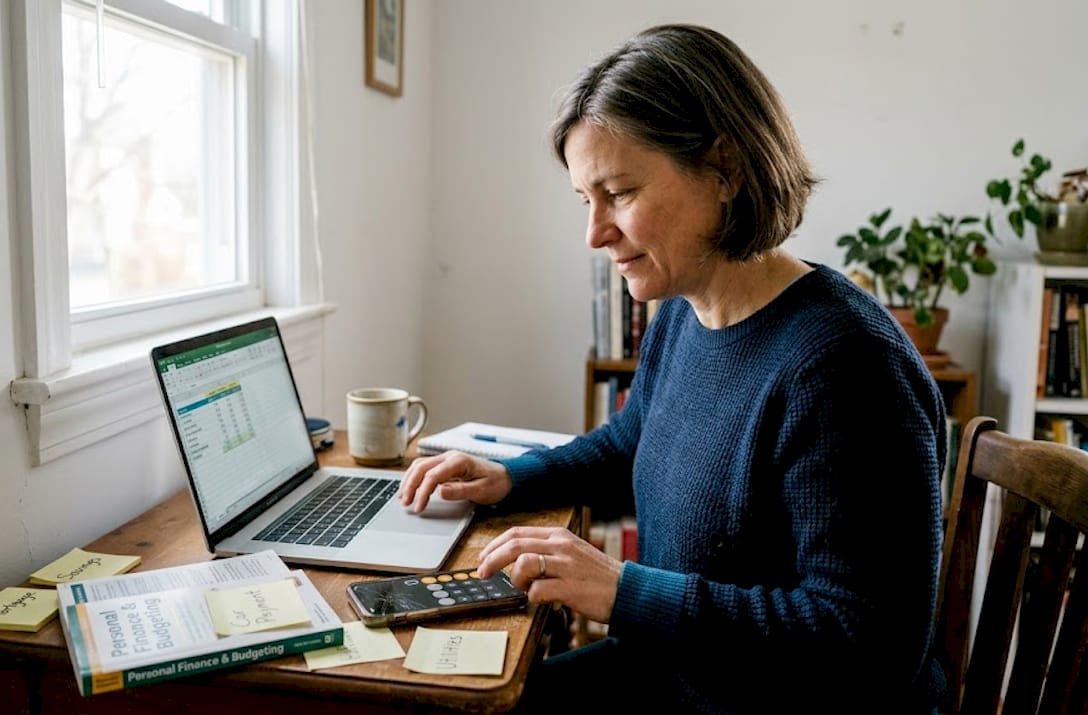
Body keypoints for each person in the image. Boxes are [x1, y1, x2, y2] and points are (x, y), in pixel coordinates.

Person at [397, 23, 945, 713]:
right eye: (586, 200)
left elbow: (869, 646)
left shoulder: (847, 366)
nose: (594, 233)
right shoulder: (685, 311)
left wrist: (624, 592)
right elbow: (630, 444)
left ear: (726, 169)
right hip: (678, 674)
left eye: (619, 193)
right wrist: (511, 478)